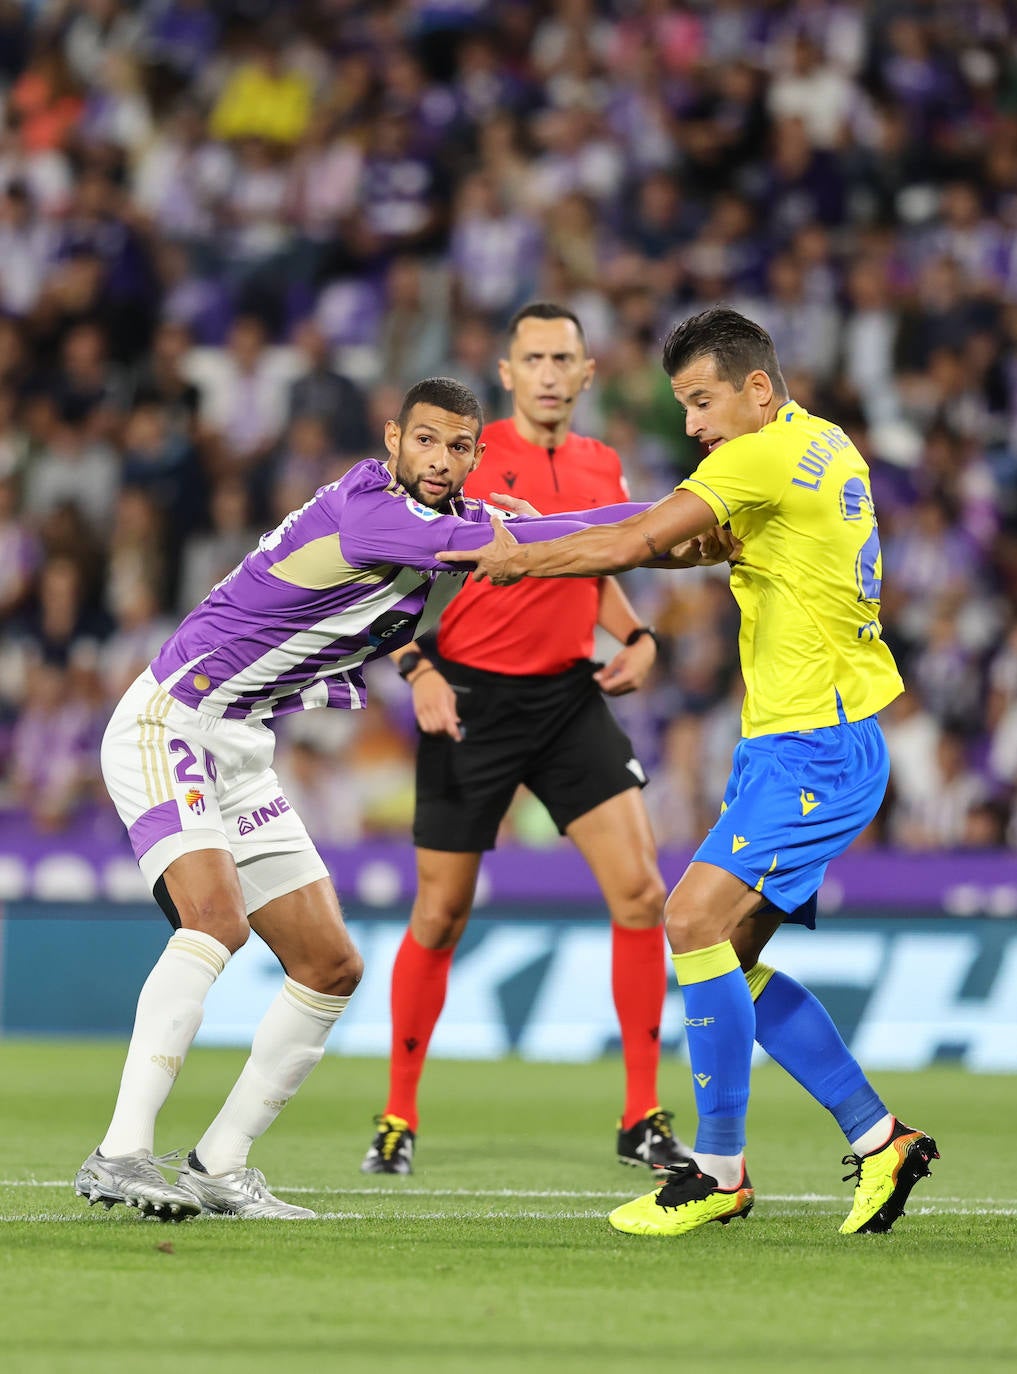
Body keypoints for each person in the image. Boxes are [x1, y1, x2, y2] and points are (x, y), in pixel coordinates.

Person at [75, 375, 624, 1222]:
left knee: (331, 965)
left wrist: (656, 520)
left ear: (477, 454)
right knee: (213, 920)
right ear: (392, 438)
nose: (441, 460)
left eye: (459, 447)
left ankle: (220, 1165)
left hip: (241, 745)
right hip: (173, 720)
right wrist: (681, 521)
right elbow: (540, 540)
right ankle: (119, 1154)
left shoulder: (435, 518)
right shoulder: (372, 513)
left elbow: (528, 535)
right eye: (427, 441)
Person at [443, 308, 939, 1238]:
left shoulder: (751, 459)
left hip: (810, 747)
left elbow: (637, 542)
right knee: (731, 959)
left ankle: (715, 1171)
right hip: (821, 738)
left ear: (757, 388)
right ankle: (881, 1140)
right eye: (682, 405)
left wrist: (516, 560)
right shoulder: (824, 445)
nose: (694, 424)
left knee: (686, 919)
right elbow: (688, 537)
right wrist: (592, 532)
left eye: (703, 400)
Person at [362, 302, 690, 1178]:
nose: (549, 372)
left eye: (564, 358)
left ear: (587, 375)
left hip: (565, 698)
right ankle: (396, 1114)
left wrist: (637, 634)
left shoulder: (602, 462)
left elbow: (596, 561)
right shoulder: (461, 458)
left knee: (641, 895)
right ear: (505, 373)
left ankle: (640, 1115)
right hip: (469, 699)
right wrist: (419, 671)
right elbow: (370, 573)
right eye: (533, 357)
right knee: (440, 914)